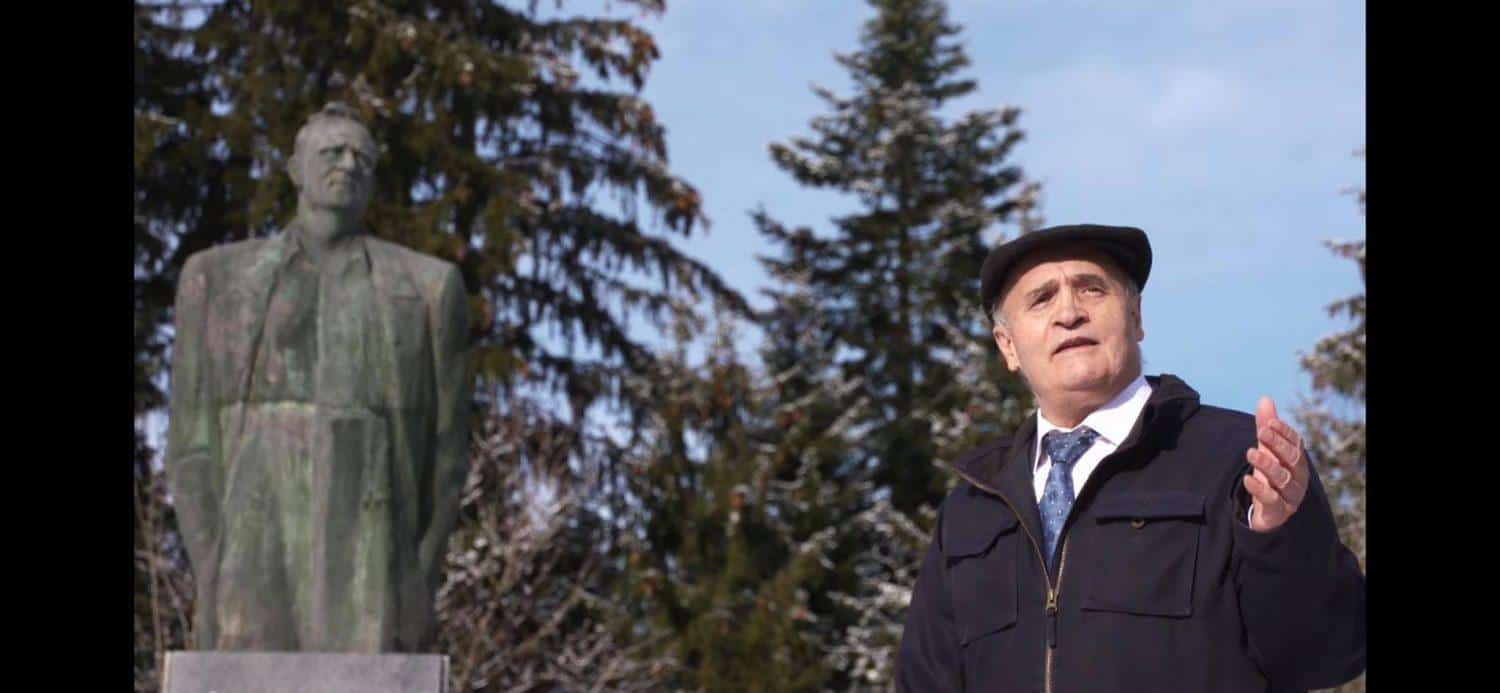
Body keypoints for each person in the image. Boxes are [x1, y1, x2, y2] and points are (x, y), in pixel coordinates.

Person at [895, 224, 1365, 691]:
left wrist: (1281, 539)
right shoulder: (971, 509)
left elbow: (1326, 656)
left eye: (1091, 289)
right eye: (1041, 299)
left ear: (1136, 316)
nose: (1069, 313)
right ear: (1008, 346)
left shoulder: (1241, 458)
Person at [164, 103, 472, 652]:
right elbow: (190, 445)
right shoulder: (216, 280)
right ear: (294, 170)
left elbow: (447, 456)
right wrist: (210, 568)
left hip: (373, 559)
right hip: (249, 558)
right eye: (333, 152)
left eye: (363, 159)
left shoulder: (428, 289)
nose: (348, 165)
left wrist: (419, 578)